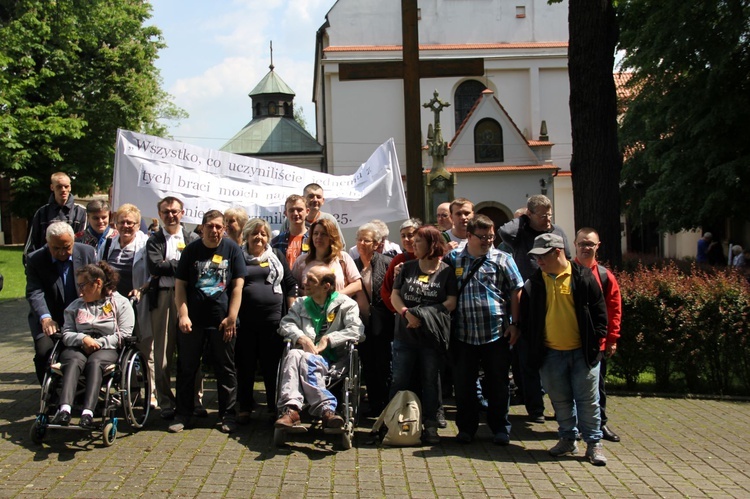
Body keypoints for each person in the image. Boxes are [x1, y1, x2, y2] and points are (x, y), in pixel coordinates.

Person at [519, 233, 609, 466]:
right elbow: (527, 320)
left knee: (588, 401)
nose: (538, 261)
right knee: (560, 400)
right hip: (550, 354)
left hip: (583, 353)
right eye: (536, 257)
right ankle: (568, 438)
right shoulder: (534, 283)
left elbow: (600, 314)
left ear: (557, 252)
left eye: (542, 256)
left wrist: (596, 343)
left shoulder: (584, 277)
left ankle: (594, 443)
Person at [445, 215, 523, 446]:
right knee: (464, 385)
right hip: (462, 334)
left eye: (491, 236)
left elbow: (516, 291)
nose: (488, 241)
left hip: (496, 333)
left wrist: (515, 324)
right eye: (483, 237)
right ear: (468, 236)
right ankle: (466, 429)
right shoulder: (453, 258)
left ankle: (500, 428)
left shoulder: (503, 258)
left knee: (498, 383)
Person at [171, 210, 247, 434]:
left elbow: (237, 286)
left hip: (222, 321)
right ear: (202, 227)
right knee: (186, 368)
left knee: (226, 369)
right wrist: (183, 315)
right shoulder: (192, 250)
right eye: (210, 226)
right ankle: (182, 414)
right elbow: (180, 286)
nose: (214, 230)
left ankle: (227, 415)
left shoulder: (232, 250)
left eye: (218, 226)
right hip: (193, 322)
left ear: (224, 228)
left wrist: (232, 317)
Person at [499, 194, 571, 422]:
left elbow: (568, 257)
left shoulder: (557, 232)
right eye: (542, 216)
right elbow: (504, 231)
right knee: (527, 356)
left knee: (555, 355)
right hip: (528, 298)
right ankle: (535, 408)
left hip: (555, 297)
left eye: (549, 214)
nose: (547, 220)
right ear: (530, 215)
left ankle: (562, 408)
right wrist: (522, 220)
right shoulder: (520, 233)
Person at [390, 225, 457, 444]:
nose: (413, 244)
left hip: (431, 338)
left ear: (431, 244)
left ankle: (431, 426)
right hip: (405, 335)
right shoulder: (406, 268)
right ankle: (393, 422)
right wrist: (406, 313)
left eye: (418, 241)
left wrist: (424, 315)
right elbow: (395, 295)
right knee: (400, 379)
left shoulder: (447, 271)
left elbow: (451, 302)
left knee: (431, 381)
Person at [275, 265, 365, 429]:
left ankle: (295, 411)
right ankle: (320, 410)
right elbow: (286, 323)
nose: (305, 282)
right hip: (305, 357)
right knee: (295, 354)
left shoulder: (346, 304)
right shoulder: (301, 303)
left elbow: (357, 330)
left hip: (334, 361)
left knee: (300, 356)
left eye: (311, 280)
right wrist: (302, 338)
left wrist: (329, 339)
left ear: (326, 286)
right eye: (306, 278)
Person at [50, 262, 135, 428]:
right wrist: (82, 339)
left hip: (106, 349)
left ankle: (88, 412)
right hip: (77, 347)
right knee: (73, 361)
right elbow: (66, 333)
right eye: (78, 285)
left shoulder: (121, 304)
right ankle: (65, 409)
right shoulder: (75, 306)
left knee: (94, 363)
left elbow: (124, 335)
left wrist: (98, 343)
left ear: (98, 283)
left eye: (83, 285)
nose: (80, 291)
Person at [146, 196, 203, 420]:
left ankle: (195, 400)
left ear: (182, 213)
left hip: (189, 299)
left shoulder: (193, 238)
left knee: (192, 351)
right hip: (162, 298)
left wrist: (170, 266)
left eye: (175, 211)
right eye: (166, 211)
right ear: (160, 214)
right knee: (162, 354)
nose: (171, 215)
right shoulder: (154, 240)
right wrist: (184, 265)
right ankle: (165, 400)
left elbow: (198, 268)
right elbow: (154, 266)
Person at [236, 218, 298, 423]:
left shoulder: (276, 256)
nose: (259, 237)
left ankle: (274, 406)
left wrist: (291, 314)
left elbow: (289, 284)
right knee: (245, 366)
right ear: (246, 236)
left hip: (274, 321)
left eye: (263, 234)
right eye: (255, 233)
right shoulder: (239, 256)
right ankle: (244, 407)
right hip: (245, 321)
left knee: (273, 367)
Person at [26, 222, 97, 384]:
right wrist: (45, 318)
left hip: (82, 316)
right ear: (48, 243)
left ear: (73, 241)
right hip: (51, 317)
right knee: (44, 352)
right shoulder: (36, 259)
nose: (62, 252)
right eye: (56, 248)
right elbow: (35, 291)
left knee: (85, 351)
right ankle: (50, 394)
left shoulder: (87, 253)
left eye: (66, 247)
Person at [99, 204, 154, 405]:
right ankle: (128, 391)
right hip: (112, 307)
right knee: (119, 349)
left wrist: (142, 288)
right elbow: (100, 271)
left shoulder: (146, 244)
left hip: (137, 303)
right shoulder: (107, 244)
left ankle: (151, 393)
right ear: (115, 223)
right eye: (122, 222)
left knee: (144, 349)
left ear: (138, 225)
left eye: (130, 222)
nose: (126, 226)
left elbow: (153, 275)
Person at [574, 227, 622, 443]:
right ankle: (573, 426)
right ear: (575, 244)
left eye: (590, 244)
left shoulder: (605, 276)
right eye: (582, 243)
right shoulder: (566, 272)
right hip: (569, 341)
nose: (586, 247)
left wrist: (612, 339)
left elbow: (614, 309)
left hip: (596, 343)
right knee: (570, 387)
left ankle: (600, 424)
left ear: (597, 246)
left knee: (597, 387)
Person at [353, 222, 394, 416]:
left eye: (366, 240)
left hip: (382, 321)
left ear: (376, 243)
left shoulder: (386, 263)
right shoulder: (353, 264)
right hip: (360, 322)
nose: (362, 243)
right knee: (367, 364)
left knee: (383, 363)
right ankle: (374, 403)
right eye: (359, 239)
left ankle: (386, 404)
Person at [24, 172, 87, 261]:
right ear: (52, 187)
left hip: (72, 264)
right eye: (59, 186)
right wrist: (30, 266)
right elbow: (31, 243)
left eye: (66, 186)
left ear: (70, 187)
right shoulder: (42, 212)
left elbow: (83, 242)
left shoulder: (81, 212)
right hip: (46, 264)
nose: (63, 190)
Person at [291, 218, 362, 297]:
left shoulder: (342, 257)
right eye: (315, 233)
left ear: (332, 237)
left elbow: (357, 284)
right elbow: (292, 287)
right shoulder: (302, 261)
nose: (319, 237)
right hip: (309, 308)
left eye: (323, 234)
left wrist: (335, 296)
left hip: (338, 307)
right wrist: (310, 296)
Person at [280, 183, 346, 246]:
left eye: (318, 197)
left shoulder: (329, 219)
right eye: (311, 196)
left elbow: (340, 245)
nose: (315, 200)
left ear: (323, 201)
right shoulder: (290, 220)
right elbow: (280, 242)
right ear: (303, 199)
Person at [380, 218, 421, 313]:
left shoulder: (432, 258)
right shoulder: (398, 259)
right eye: (403, 236)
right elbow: (386, 290)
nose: (406, 239)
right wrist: (399, 311)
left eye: (410, 235)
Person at [271, 194, 309, 267]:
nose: (295, 213)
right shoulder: (276, 242)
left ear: (307, 211)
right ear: (286, 214)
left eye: (299, 210)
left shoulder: (315, 239)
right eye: (291, 210)